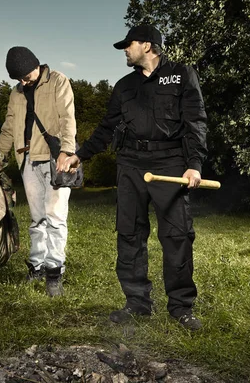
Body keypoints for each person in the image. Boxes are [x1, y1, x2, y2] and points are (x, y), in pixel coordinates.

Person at [68, 25, 208, 330]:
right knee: (129, 234)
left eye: (128, 45)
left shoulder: (182, 75)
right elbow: (107, 128)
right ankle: (137, 303)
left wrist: (194, 164)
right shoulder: (123, 87)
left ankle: (181, 308)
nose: (124, 51)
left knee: (176, 236)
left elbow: (195, 122)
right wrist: (81, 155)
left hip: (170, 165)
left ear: (147, 45)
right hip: (130, 165)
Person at [0, 46, 77, 297]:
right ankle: (36, 266)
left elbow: (68, 119)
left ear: (35, 65)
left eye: (25, 75)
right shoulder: (16, 94)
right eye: (18, 78)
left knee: (55, 218)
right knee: (37, 219)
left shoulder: (58, 81)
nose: (22, 81)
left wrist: (67, 151)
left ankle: (54, 272)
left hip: (54, 159)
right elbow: (9, 126)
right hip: (26, 159)